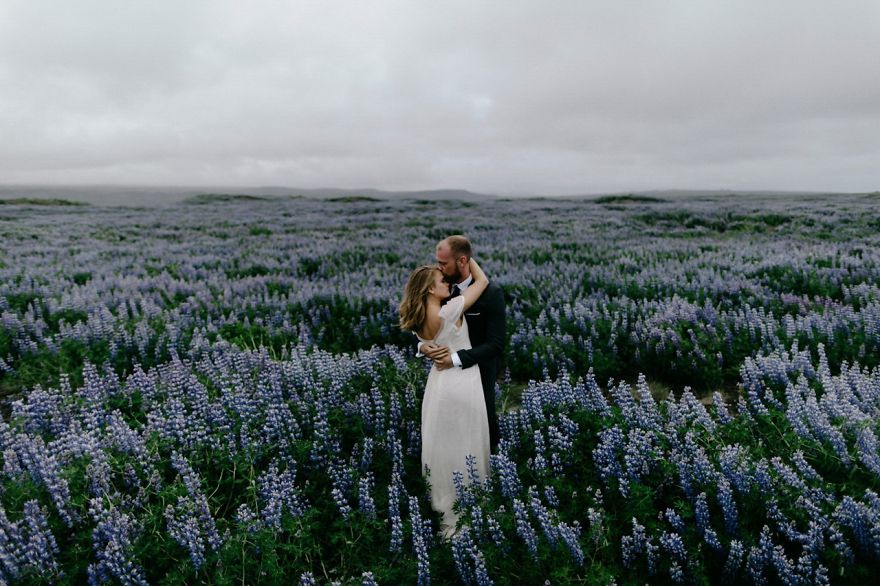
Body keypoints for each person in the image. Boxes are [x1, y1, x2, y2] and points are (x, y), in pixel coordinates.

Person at [399, 257, 491, 538]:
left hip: (438, 387)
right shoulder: (450, 310)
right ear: (429, 289)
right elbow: (483, 281)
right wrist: (464, 255)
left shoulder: (418, 319)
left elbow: (423, 341)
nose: (448, 283)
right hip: (462, 383)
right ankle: (469, 511)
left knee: (442, 449)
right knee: (467, 446)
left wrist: (421, 348)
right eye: (443, 280)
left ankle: (445, 511)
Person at [421, 236, 506, 453]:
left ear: (461, 261)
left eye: (443, 263)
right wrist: (423, 346)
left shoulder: (491, 293)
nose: (438, 267)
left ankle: (488, 480)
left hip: (478, 372)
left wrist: (454, 359)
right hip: (447, 377)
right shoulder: (442, 290)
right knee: (448, 433)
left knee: (483, 432)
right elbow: (427, 324)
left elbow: (496, 345)